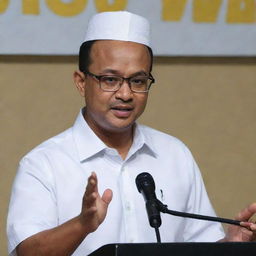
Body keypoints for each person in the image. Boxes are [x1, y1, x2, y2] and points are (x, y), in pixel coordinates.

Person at [7, 11, 256, 256]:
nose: (125, 94)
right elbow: (27, 252)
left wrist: (230, 245)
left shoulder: (174, 154)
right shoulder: (44, 163)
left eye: (137, 81)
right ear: (81, 82)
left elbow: (200, 246)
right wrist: (82, 225)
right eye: (110, 79)